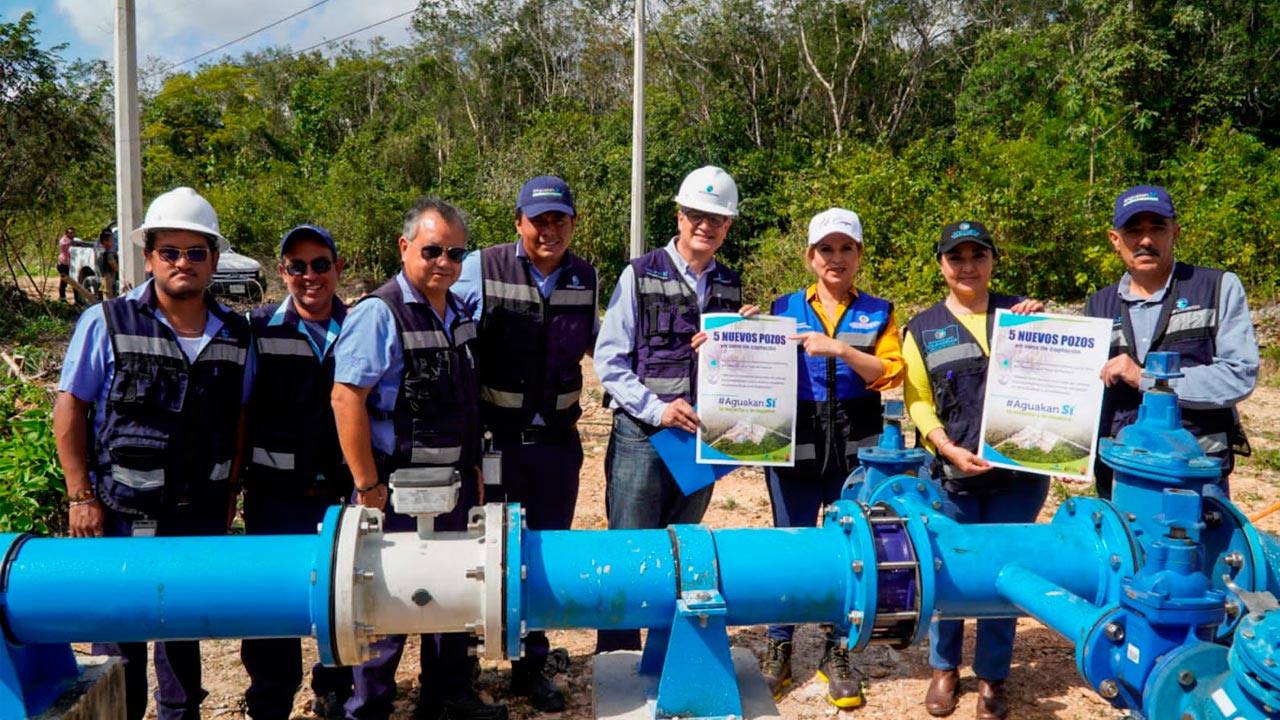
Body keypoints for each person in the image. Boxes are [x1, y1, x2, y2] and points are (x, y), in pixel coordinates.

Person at [53, 187, 250, 720]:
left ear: (214, 260)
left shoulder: (236, 334)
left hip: (198, 514)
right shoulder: (107, 322)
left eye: (196, 252)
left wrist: (230, 493)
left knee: (182, 638)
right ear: (149, 258)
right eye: (170, 252)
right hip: (122, 514)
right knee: (119, 648)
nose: (183, 263)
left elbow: (238, 419)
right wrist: (81, 497)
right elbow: (70, 409)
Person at [331, 196, 506, 720]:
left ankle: (447, 697)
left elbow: (465, 401)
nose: (444, 263)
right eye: (433, 251)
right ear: (405, 247)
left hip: (453, 484)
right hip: (395, 490)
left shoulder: (458, 312)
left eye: (455, 254)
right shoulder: (379, 313)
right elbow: (346, 399)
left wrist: (473, 468)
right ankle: (369, 708)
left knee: (454, 592)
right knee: (384, 603)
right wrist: (367, 485)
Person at [593, 165, 756, 652]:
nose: (705, 225)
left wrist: (748, 336)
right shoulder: (640, 274)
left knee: (683, 550)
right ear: (679, 216)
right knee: (630, 549)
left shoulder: (730, 285)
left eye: (716, 219)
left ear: (727, 226)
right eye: (695, 215)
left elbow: (735, 368)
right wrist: (656, 409)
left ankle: (665, 653)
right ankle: (617, 654)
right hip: (643, 436)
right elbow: (609, 360)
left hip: (700, 440)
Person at [452, 176, 597, 712]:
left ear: (573, 225)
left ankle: (530, 666)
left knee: (543, 557)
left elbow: (605, 346)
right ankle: (463, 665)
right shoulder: (481, 268)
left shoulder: (586, 277)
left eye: (560, 220)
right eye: (538, 221)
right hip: (496, 444)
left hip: (557, 445)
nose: (549, 230)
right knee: (479, 553)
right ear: (518, 223)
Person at [759, 208, 905, 709]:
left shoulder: (880, 312)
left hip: (856, 441)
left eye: (846, 248)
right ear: (810, 256)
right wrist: (739, 332)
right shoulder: (781, 308)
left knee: (851, 546)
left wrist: (840, 350)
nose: (835, 258)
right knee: (790, 541)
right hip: (795, 439)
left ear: (859, 255)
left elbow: (890, 372)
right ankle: (779, 644)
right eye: (826, 249)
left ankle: (837, 649)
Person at [902, 221, 1047, 720]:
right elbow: (918, 402)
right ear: (941, 264)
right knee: (952, 571)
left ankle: (991, 677)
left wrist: (1048, 323)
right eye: (956, 257)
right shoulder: (922, 328)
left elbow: (1066, 372)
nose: (968, 267)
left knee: (1006, 574)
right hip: (952, 476)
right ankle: (944, 668)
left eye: (977, 256)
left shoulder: (1023, 315)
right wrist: (945, 447)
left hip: (1019, 479)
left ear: (992, 260)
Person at [241, 224, 355, 720]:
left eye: (320, 264)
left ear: (338, 268)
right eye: (298, 266)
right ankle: (270, 700)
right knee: (272, 603)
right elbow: (241, 409)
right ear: (282, 272)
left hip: (341, 495)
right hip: (275, 496)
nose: (310, 276)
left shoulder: (360, 326)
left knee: (343, 596)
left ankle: (337, 689)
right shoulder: (257, 329)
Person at [1085, 185, 1258, 499]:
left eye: (1157, 228)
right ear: (1115, 239)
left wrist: (1146, 378)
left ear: (1175, 233)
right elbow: (1082, 392)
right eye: (1133, 231)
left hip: (1196, 478)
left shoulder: (1217, 287)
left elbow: (1239, 375)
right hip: (1119, 476)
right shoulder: (1098, 305)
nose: (1145, 240)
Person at [97, 227, 119, 300]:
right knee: (110, 300)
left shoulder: (98, 251)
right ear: (105, 241)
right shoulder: (108, 254)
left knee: (105, 297)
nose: (113, 243)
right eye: (111, 240)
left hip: (102, 279)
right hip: (109, 280)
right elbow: (115, 268)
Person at [57, 226, 76, 302]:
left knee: (75, 282)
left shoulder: (74, 240)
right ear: (66, 233)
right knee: (64, 282)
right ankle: (62, 299)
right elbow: (68, 244)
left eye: (73, 233)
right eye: (70, 233)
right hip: (63, 264)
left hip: (71, 264)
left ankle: (77, 300)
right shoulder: (64, 241)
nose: (72, 234)